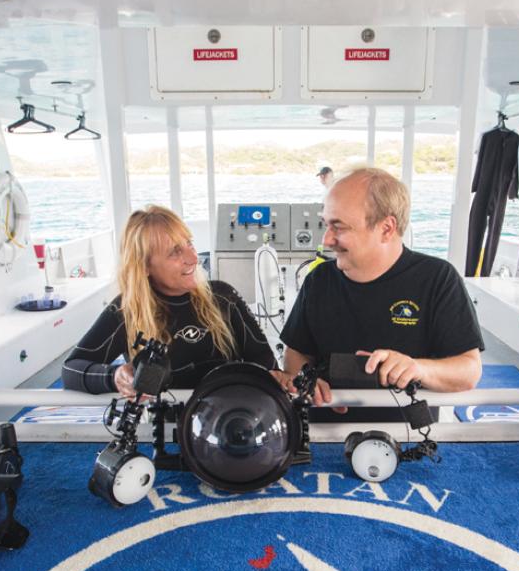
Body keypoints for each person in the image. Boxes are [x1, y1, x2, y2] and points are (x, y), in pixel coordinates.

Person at [278, 168, 483, 407]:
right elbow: (297, 353)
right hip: (326, 430)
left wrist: (418, 368)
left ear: (386, 228)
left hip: (407, 433)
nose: (326, 240)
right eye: (326, 225)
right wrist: (306, 379)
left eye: (339, 227)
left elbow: (469, 370)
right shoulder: (319, 280)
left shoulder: (437, 278)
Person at [62, 206, 276, 396]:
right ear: (144, 266)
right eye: (175, 252)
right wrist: (115, 376)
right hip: (166, 429)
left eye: (189, 244)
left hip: (229, 421)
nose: (193, 258)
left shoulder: (223, 297)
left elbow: (266, 364)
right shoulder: (128, 310)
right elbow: (71, 369)